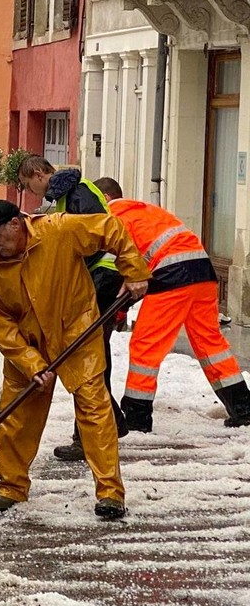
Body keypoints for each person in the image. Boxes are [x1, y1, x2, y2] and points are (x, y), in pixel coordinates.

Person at [0, 200, 151, 519]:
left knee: (94, 409)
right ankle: (10, 488)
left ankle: (110, 493)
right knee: (16, 417)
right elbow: (1, 324)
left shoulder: (59, 231)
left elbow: (111, 228)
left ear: (16, 224)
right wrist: (30, 362)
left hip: (75, 332)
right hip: (27, 344)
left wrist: (134, 270)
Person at [95, 177, 250, 430]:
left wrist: (117, 310)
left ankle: (136, 417)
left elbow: (115, 272)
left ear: (106, 198)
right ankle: (243, 407)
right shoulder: (146, 210)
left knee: (146, 345)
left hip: (171, 276)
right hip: (203, 271)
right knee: (211, 344)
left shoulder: (112, 217)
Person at [18, 156, 129, 462]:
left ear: (39, 174)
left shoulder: (78, 194)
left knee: (85, 356)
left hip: (102, 277)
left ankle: (90, 435)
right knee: (93, 355)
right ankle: (111, 422)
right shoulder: (69, 196)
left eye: (31, 185)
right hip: (99, 277)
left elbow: (92, 239)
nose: (35, 193)